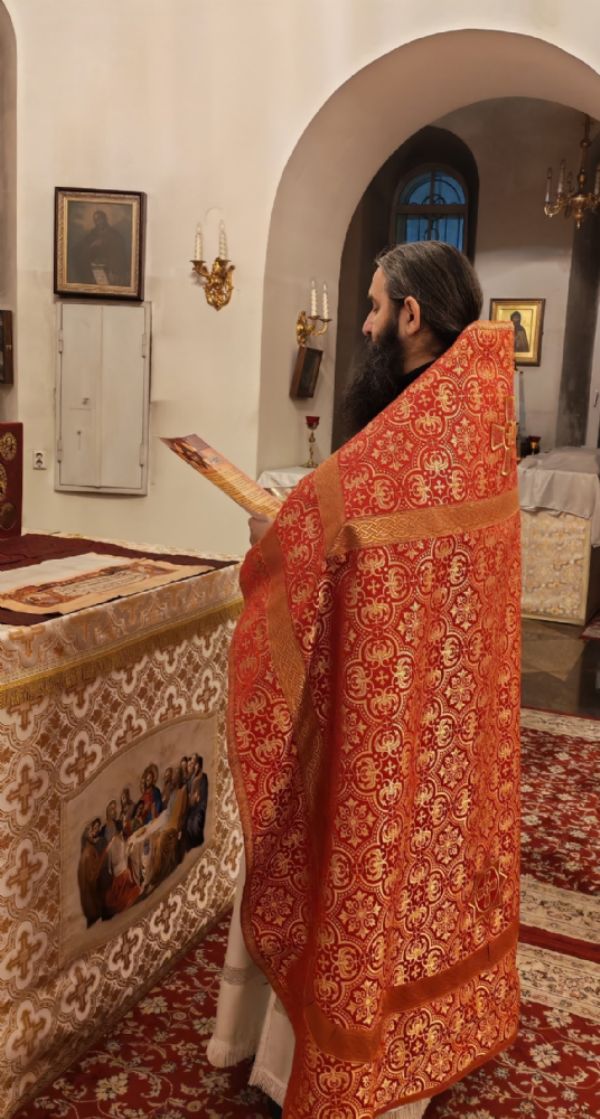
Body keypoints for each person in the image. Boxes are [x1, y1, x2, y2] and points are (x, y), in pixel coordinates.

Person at [208, 241, 521, 1119]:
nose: (368, 324)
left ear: (413, 316)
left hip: (380, 716)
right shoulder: (476, 418)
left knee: (350, 860)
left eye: (378, 307)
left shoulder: (416, 434)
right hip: (444, 710)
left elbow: (336, 534)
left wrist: (279, 543)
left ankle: (316, 1066)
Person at [71, 208, 129, 286]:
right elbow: (85, 243)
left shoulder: (114, 234)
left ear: (105, 219)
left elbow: (118, 247)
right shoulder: (93, 232)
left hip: (109, 264)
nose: (97, 222)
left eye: (99, 219)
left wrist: (104, 243)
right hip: (94, 263)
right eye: (95, 220)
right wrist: (92, 245)